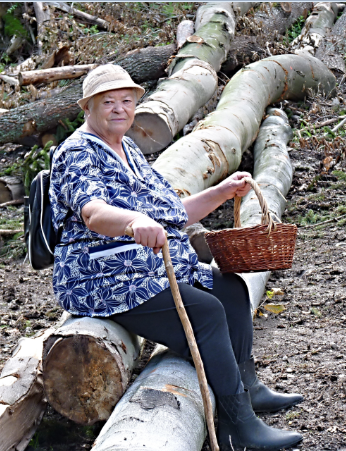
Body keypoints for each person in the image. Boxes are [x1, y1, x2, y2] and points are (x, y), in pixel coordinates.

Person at [49, 64, 303, 451]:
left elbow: (172, 213)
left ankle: (247, 387)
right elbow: (93, 213)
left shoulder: (127, 148)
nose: (120, 109)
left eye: (127, 101)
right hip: (103, 277)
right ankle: (237, 423)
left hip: (146, 267)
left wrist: (221, 192)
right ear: (88, 107)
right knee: (205, 311)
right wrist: (134, 222)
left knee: (232, 291)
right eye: (109, 102)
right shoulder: (78, 153)